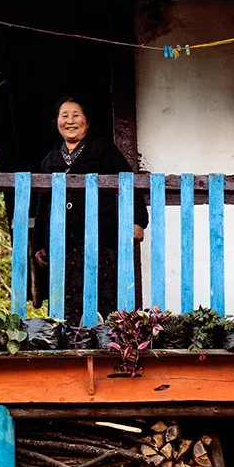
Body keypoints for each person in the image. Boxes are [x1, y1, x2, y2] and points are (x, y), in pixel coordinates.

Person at [32, 96, 149, 326]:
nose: (70, 121)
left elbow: (129, 182)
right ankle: (74, 346)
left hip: (102, 240)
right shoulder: (51, 160)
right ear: (57, 122)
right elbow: (42, 205)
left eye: (76, 115)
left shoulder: (103, 150)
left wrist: (138, 220)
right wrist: (39, 244)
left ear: (87, 121)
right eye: (64, 115)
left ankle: (109, 345)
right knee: (68, 302)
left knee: (105, 296)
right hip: (64, 244)